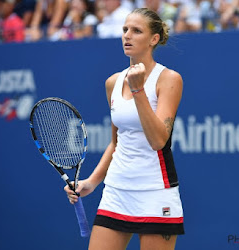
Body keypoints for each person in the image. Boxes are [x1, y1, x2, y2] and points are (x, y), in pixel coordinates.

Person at [65, 7, 184, 250]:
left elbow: (158, 141)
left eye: (136, 31)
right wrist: (92, 182)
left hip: (155, 191)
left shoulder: (169, 79)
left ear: (154, 39)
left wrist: (138, 90)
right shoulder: (112, 83)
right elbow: (116, 142)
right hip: (117, 191)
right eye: (125, 30)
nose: (127, 35)